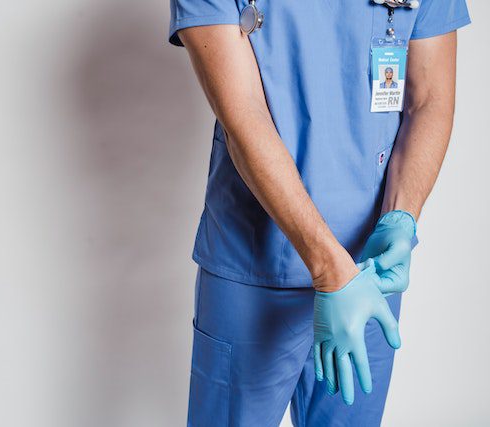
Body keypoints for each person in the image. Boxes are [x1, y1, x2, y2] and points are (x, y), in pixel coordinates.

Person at [168, 1, 470, 426]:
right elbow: (242, 115)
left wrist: (401, 217)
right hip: (254, 267)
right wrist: (330, 269)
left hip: (368, 269)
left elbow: (430, 100)